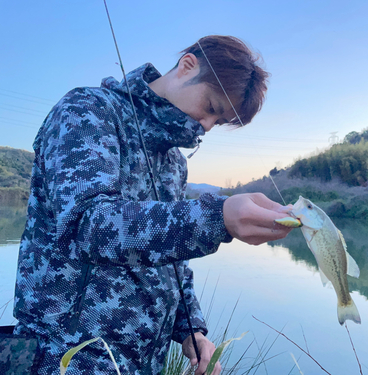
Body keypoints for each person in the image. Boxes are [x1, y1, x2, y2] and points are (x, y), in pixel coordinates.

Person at [11, 35, 293, 374]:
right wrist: (217, 217)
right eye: (211, 107)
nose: (205, 125)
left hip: (143, 363)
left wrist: (191, 330)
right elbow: (90, 224)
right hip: (67, 357)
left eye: (217, 122)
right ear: (188, 66)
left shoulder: (175, 163)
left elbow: (172, 261)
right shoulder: (87, 111)